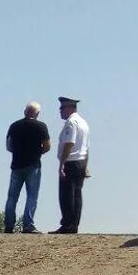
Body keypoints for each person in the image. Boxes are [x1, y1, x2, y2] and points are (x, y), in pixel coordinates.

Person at [4, 102, 51, 233]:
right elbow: (47, 146)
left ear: (25, 112)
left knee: (12, 197)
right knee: (32, 196)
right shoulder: (41, 126)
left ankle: (8, 225)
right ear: (37, 113)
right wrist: (37, 153)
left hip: (16, 165)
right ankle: (28, 225)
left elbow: (9, 146)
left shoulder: (14, 126)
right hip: (33, 165)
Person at [52, 96, 90, 234]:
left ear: (69, 108)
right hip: (80, 161)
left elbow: (69, 144)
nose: (60, 111)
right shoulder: (83, 123)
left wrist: (62, 164)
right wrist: (85, 165)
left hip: (71, 162)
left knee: (67, 195)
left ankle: (68, 224)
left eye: (62, 108)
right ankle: (73, 224)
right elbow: (86, 148)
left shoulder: (71, 122)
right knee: (77, 195)